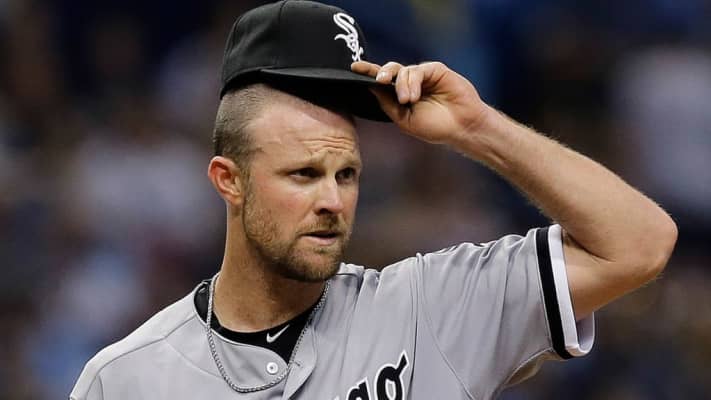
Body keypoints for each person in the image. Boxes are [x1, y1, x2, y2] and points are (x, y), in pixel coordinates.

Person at [70, 1, 677, 399]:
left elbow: (640, 243)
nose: (333, 200)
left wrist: (478, 128)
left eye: (347, 174)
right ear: (229, 180)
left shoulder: (431, 307)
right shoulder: (126, 379)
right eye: (304, 174)